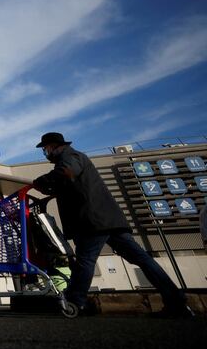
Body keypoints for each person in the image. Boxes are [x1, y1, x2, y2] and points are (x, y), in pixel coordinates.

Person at [32, 132, 191, 318]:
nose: (45, 152)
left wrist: (40, 182)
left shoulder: (70, 156)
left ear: (54, 146)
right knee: (143, 260)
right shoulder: (77, 158)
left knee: (85, 261)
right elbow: (70, 184)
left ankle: (74, 301)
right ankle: (176, 301)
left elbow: (66, 172)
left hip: (93, 221)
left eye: (46, 148)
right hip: (110, 221)